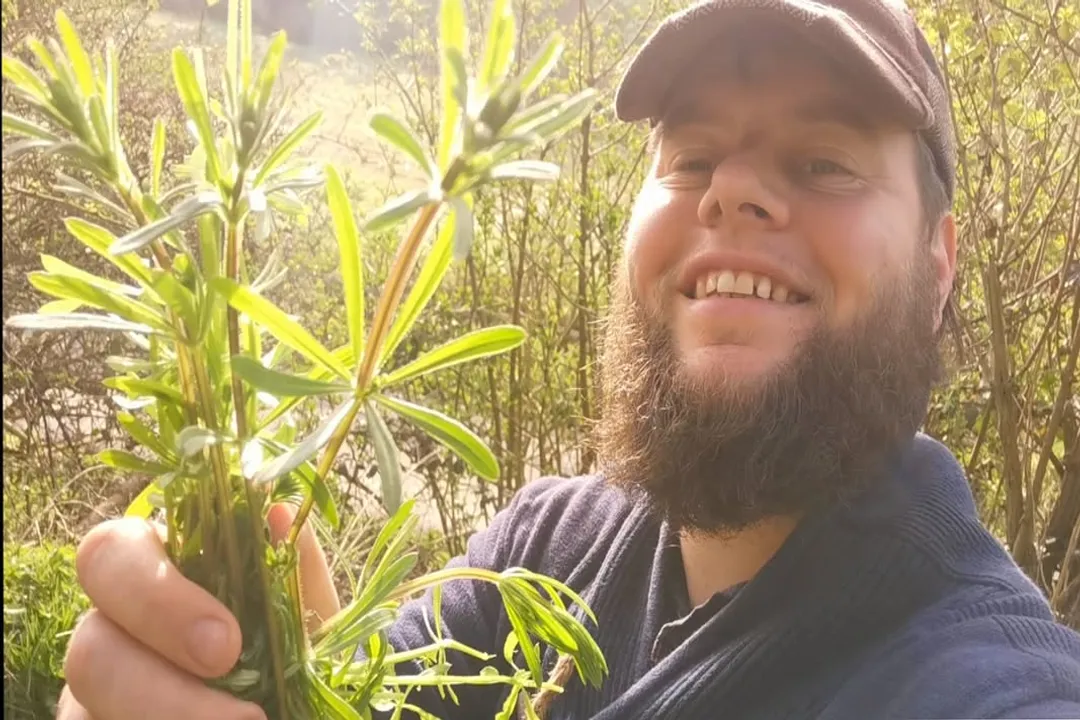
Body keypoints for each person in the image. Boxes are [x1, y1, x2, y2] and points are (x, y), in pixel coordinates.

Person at [57, 0, 1080, 718]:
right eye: (688, 160)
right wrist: (254, 667)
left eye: (822, 162)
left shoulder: (981, 679)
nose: (731, 191)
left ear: (940, 269)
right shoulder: (540, 557)